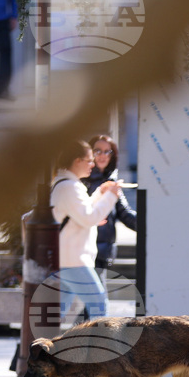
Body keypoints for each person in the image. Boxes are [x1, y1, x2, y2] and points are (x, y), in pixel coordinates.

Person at [51, 140, 122, 323]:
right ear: (77, 161)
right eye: (89, 160)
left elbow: (81, 213)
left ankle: (39, 348)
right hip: (73, 259)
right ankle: (99, 350)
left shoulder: (66, 184)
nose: (93, 164)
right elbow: (89, 218)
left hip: (67, 258)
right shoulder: (70, 187)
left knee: (55, 314)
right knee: (99, 304)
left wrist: (100, 192)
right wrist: (111, 196)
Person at [83, 134, 137, 275]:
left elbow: (125, 214)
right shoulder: (81, 181)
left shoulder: (112, 182)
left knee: (98, 295)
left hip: (103, 254)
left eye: (108, 151)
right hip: (84, 252)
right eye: (98, 150)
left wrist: (150, 223)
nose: (103, 155)